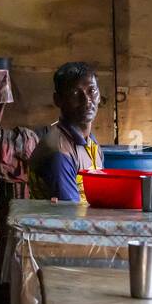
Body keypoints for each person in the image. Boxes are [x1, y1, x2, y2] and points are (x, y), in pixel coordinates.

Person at [29, 62, 102, 202]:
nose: (87, 100)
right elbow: (70, 218)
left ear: (99, 96)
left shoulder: (91, 143)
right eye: (75, 93)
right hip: (69, 223)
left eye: (92, 91)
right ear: (58, 100)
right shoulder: (59, 152)